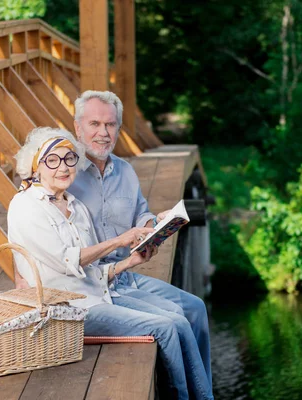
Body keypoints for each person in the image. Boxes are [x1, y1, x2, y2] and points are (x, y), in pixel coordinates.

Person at [8, 127, 213, 400]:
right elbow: (68, 259)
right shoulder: (26, 206)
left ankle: (203, 396)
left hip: (98, 295)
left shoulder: (75, 206)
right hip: (65, 310)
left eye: (69, 159)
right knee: (165, 327)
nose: (63, 167)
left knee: (178, 319)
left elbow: (92, 272)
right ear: (36, 166)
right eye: (52, 160)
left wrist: (130, 261)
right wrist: (118, 241)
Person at [68, 90, 212, 391]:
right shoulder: (66, 176)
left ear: (118, 129)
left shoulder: (126, 171)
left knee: (196, 308)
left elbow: (141, 213)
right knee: (174, 320)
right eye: (95, 124)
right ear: (77, 126)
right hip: (96, 282)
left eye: (110, 125)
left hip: (128, 273)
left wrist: (153, 225)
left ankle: (204, 391)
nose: (103, 133)